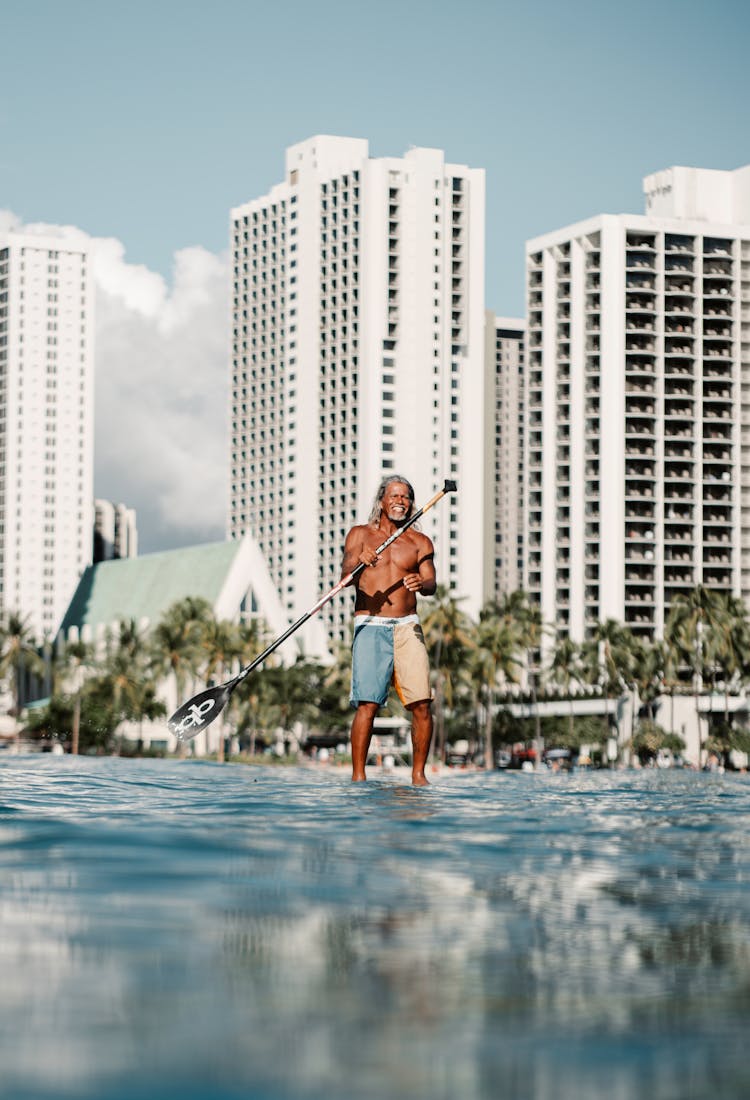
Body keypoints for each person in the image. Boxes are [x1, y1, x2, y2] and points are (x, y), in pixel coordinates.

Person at [340, 476, 437, 785]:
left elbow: (431, 583)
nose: (401, 500)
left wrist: (422, 583)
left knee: (421, 703)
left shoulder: (420, 542)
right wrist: (359, 561)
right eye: (394, 495)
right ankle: (358, 777)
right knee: (367, 703)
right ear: (381, 500)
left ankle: (419, 776)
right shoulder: (359, 535)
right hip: (371, 624)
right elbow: (345, 576)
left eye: (406, 496)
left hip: (408, 626)